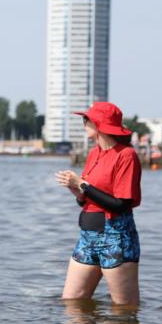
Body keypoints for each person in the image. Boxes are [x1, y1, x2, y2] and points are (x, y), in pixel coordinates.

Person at [55, 102, 142, 306]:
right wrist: (78, 192)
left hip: (116, 237)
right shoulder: (94, 153)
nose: (84, 122)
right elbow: (89, 196)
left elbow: (121, 204)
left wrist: (83, 185)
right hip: (87, 235)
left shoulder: (126, 155)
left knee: (124, 310)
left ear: (100, 124)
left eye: (87, 119)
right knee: (71, 304)